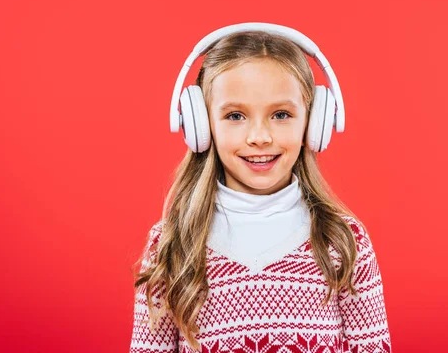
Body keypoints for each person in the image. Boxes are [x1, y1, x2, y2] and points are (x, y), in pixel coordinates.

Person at [129, 23, 392, 353]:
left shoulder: (342, 242)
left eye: (281, 114)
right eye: (236, 116)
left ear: (313, 122)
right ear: (199, 124)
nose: (259, 136)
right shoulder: (170, 245)